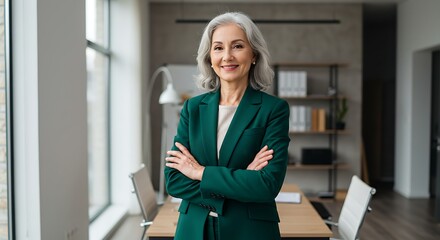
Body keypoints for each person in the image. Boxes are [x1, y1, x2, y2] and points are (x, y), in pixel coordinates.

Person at [164, 12, 290, 240]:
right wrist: (242, 179)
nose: (227, 56)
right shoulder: (193, 108)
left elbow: (267, 185)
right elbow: (174, 180)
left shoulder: (273, 109)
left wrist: (199, 172)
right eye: (218, 48)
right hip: (194, 229)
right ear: (210, 57)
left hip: (249, 231)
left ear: (254, 55)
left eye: (238, 46)